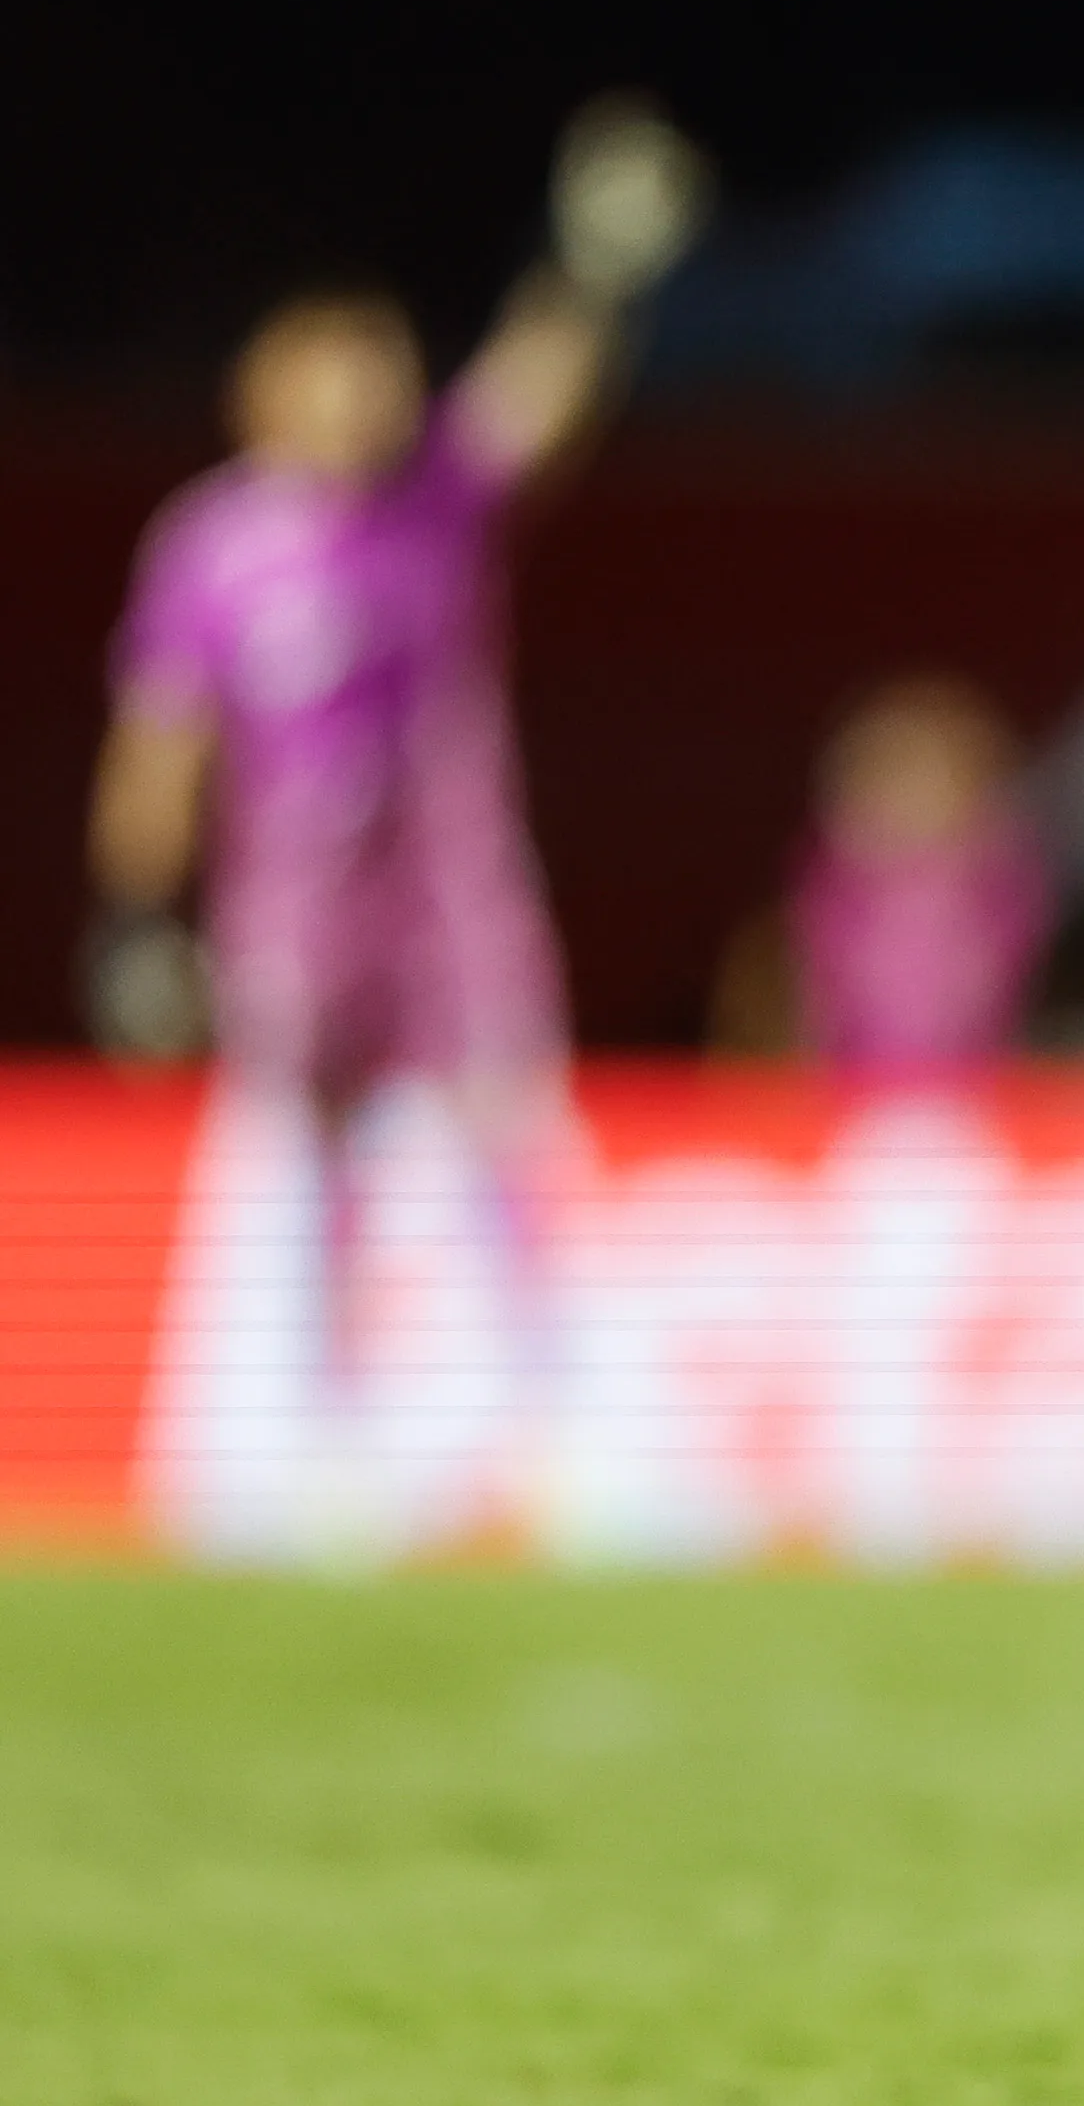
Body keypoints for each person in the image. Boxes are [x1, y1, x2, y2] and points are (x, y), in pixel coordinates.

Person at [88, 99, 708, 1541]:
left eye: (384, 362)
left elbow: (541, 389)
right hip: (292, 905)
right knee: (304, 1160)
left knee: (506, 1140)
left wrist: (588, 271)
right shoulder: (211, 544)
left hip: (451, 888)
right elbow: (160, 745)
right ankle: (313, 1436)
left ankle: (565, 1439)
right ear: (266, 386)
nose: (368, 390)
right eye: (337, 364)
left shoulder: (439, 495)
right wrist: (131, 917)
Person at [716, 676, 1052, 1073]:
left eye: (927, 784)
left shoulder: (999, 885)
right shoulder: (829, 889)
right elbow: (809, 1004)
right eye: (886, 783)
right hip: (849, 1082)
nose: (906, 809)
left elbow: (1008, 998)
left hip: (971, 1084)